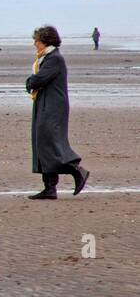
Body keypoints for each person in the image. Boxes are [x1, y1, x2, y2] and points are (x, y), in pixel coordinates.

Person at [26, 25, 89, 199]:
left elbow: (40, 78)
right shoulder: (46, 58)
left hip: (53, 107)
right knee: (43, 143)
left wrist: (30, 81)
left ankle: (77, 170)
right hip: (44, 104)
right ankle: (50, 188)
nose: (34, 44)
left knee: (50, 143)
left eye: (36, 41)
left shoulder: (54, 59)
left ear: (45, 41)